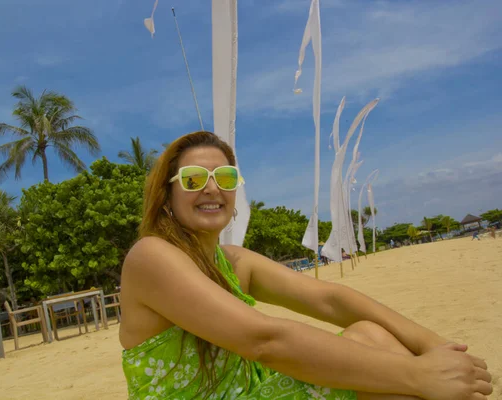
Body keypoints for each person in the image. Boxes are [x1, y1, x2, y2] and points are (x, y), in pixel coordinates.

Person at [119, 131, 492, 399]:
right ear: (166, 196)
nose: (212, 188)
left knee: (370, 334)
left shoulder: (232, 261)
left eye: (226, 177)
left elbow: (330, 300)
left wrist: (436, 347)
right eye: (193, 179)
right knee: (396, 384)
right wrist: (416, 374)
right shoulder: (151, 256)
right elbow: (264, 340)